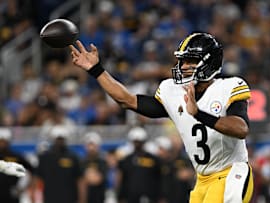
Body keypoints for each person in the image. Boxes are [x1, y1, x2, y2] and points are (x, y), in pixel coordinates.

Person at [70, 32, 254, 203]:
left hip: (231, 172)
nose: (184, 66)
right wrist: (96, 70)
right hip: (203, 179)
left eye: (191, 61)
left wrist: (198, 114)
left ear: (210, 63)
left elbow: (241, 129)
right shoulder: (172, 92)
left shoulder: (229, 87)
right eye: (182, 61)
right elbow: (127, 100)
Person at [34, 125, 84, 203]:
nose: (60, 141)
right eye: (58, 139)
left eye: (62, 139)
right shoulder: (45, 157)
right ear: (53, 139)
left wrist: (82, 199)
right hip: (49, 199)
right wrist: (36, 198)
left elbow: (80, 180)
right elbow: (38, 179)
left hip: (70, 199)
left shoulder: (73, 157)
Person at [116, 126, 163, 203]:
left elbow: (159, 178)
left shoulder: (153, 159)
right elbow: (121, 179)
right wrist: (120, 196)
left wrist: (161, 196)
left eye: (139, 142)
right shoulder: (126, 160)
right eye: (135, 141)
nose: (137, 144)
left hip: (150, 197)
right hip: (130, 197)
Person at [0, 128, 33, 203]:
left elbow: (31, 171)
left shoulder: (16, 156)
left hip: (11, 195)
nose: (2, 143)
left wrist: (22, 188)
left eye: (4, 141)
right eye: (1, 141)